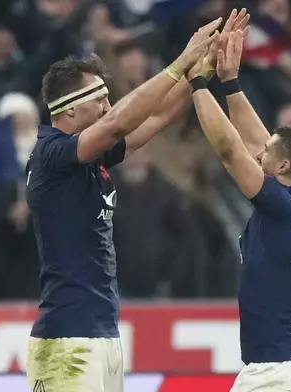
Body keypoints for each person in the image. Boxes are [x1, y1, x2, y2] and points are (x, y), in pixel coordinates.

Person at [24, 10, 248, 392]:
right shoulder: (52, 154)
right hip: (68, 340)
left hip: (101, 332)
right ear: (71, 108)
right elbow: (118, 124)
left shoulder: (90, 157)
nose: (110, 107)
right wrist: (179, 62)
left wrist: (201, 71)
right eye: (102, 99)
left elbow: (157, 116)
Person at [188, 30, 291, 391]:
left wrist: (197, 83)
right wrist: (231, 82)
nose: (259, 152)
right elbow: (257, 141)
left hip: (277, 372)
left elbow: (230, 150)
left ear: (283, 167)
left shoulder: (281, 206)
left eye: (268, 152)